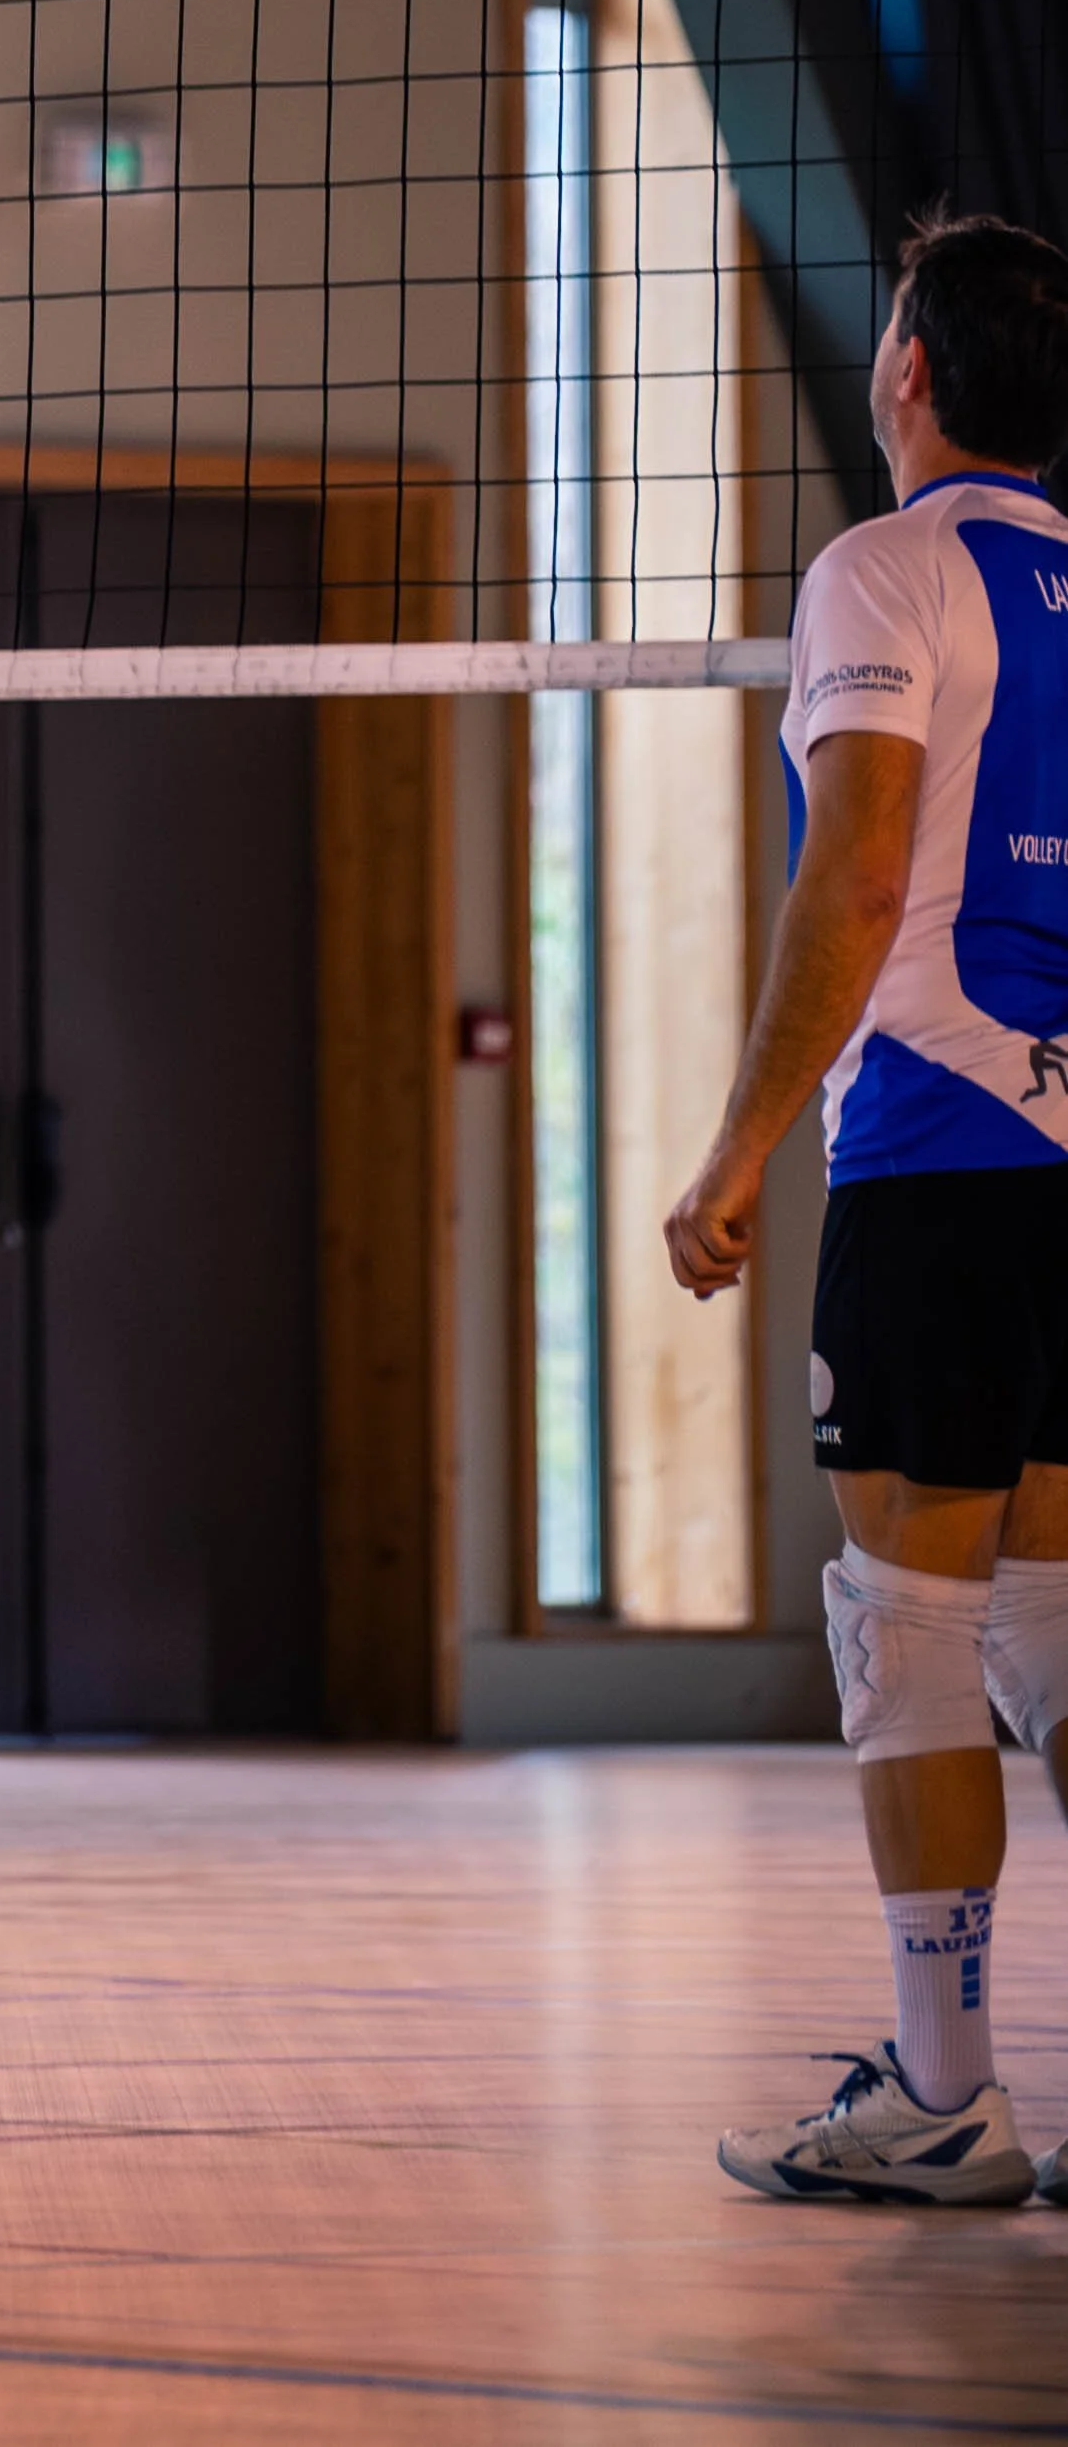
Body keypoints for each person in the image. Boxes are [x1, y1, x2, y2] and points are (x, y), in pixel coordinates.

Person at [667, 207, 1068, 2209]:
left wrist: (739, 1143)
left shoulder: (884, 567)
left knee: (909, 1626)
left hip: (939, 1140)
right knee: (1062, 1620)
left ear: (906, 371)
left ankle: (941, 2089)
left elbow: (854, 873)